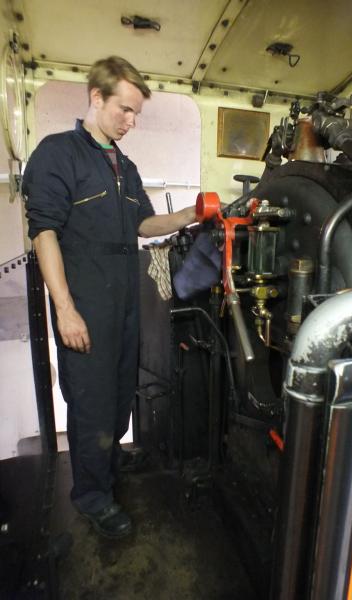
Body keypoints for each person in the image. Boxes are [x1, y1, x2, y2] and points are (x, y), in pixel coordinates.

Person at [23, 56, 196, 539]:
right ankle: (92, 496)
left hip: (124, 302)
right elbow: (44, 233)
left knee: (120, 393)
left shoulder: (125, 165)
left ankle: (110, 457)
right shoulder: (58, 154)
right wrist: (65, 310)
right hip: (86, 303)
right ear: (96, 97)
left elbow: (144, 223)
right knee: (91, 401)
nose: (131, 121)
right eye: (125, 109)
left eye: (136, 113)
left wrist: (191, 213)